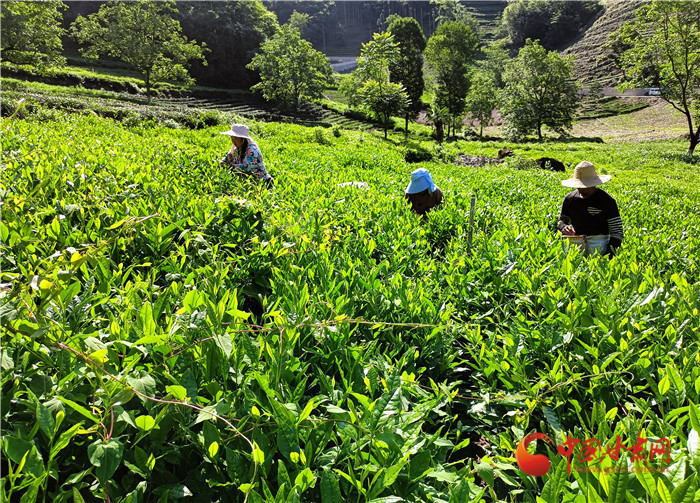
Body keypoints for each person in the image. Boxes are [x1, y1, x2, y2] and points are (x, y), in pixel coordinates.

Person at [557, 161, 624, 256]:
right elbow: (561, 221)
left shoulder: (606, 201)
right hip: (575, 245)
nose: (583, 189)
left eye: (587, 186)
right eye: (580, 186)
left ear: (594, 183)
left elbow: (617, 232)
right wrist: (564, 227)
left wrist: (608, 255)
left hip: (600, 246)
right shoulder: (569, 199)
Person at [219, 123, 274, 188]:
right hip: (249, 183)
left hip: (263, 183)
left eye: (236, 139)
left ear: (243, 139)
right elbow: (228, 158)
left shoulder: (252, 150)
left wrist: (230, 165)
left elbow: (246, 167)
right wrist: (222, 162)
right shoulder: (236, 148)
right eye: (232, 138)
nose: (233, 141)